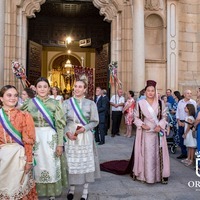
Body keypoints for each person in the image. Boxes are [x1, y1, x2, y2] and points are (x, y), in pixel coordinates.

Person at [21, 77, 67, 200]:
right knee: (37, 164)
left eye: (45, 86)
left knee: (51, 164)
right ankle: (36, 191)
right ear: (35, 88)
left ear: (49, 88)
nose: (42, 89)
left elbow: (60, 125)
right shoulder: (29, 103)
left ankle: (52, 192)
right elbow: (19, 119)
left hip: (50, 137)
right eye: (39, 86)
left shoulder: (55, 103)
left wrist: (60, 144)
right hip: (35, 138)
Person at [63, 77, 100, 200]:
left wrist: (85, 128)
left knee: (85, 162)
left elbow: (95, 121)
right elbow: (63, 121)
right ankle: (72, 188)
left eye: (80, 87)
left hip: (85, 136)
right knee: (72, 162)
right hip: (71, 137)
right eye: (75, 86)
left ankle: (85, 190)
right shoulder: (66, 103)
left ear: (85, 89)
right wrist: (67, 132)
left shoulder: (91, 104)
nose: (77, 89)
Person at [0, 85, 38, 199]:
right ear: (1, 98)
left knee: (19, 190)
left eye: (16, 95)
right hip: (2, 159)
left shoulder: (24, 116)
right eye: (9, 95)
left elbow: (29, 141)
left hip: (19, 158)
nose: (13, 98)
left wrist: (29, 161)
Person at [133, 80, 170, 184]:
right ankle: (145, 176)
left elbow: (164, 117)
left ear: (155, 91)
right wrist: (141, 124)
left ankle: (158, 176)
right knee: (147, 154)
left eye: (152, 91)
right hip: (145, 133)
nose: (150, 93)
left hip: (158, 133)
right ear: (145, 92)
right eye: (148, 90)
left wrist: (160, 125)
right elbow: (135, 117)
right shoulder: (140, 103)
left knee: (158, 154)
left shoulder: (160, 103)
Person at [176, 89, 197, 159]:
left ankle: (190, 156)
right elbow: (177, 112)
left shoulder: (193, 102)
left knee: (189, 139)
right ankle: (183, 153)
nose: (189, 94)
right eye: (188, 93)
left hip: (188, 123)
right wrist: (178, 121)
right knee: (182, 138)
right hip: (181, 122)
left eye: (190, 93)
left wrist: (189, 123)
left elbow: (195, 113)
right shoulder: (180, 102)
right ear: (184, 94)